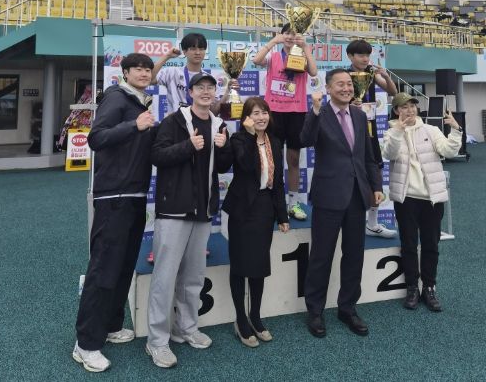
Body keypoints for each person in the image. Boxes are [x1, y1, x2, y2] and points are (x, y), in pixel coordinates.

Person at [73, 53, 157, 373]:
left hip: (135, 196)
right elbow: (96, 138)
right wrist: (134, 125)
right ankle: (85, 344)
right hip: (114, 197)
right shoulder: (117, 98)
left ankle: (110, 326)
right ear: (125, 72)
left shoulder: (141, 102)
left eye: (148, 69)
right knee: (104, 270)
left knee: (123, 268)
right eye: (138, 69)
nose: (144, 73)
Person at [146, 72, 233, 369]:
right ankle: (157, 341)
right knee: (164, 278)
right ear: (191, 92)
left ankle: (186, 328)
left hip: (203, 211)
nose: (206, 92)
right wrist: (188, 146)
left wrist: (224, 147)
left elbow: (223, 167)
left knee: (193, 277)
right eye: (200, 87)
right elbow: (157, 156)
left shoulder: (220, 125)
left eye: (211, 88)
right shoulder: (174, 121)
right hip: (174, 210)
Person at [300, 69, 384, 338]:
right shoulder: (319, 113)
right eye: (340, 84)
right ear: (328, 88)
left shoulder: (359, 115)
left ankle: (347, 308)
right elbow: (305, 140)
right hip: (328, 196)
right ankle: (315, 311)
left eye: (349, 84)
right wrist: (314, 110)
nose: (346, 88)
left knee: (354, 255)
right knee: (321, 257)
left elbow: (368, 156)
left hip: (357, 196)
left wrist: (376, 186)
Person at [381, 93, 462, 312]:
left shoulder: (431, 130)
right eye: (404, 107)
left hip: (432, 198)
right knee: (408, 245)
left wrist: (456, 130)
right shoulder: (390, 132)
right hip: (406, 198)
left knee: (431, 245)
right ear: (396, 111)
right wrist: (398, 130)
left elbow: (449, 151)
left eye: (412, 106)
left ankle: (429, 287)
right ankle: (412, 288)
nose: (410, 110)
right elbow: (389, 154)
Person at [222, 97, 289, 347]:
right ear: (246, 118)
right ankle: (240, 319)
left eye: (264, 112)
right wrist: (251, 137)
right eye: (255, 113)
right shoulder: (238, 139)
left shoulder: (275, 141)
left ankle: (255, 316)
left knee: (259, 265)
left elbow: (278, 181)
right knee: (240, 265)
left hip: (264, 208)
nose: (261, 117)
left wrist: (282, 216)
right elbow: (247, 165)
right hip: (242, 209)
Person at [252, 23, 317, 221]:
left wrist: (306, 47)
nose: (290, 37)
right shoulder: (274, 56)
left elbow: (314, 72)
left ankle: (293, 202)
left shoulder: (302, 55)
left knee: (294, 159)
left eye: (295, 34)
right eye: (287, 33)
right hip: (274, 113)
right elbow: (256, 60)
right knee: (273, 159)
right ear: (282, 35)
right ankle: (275, 201)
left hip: (296, 112)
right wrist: (273, 41)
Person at [346, 39, 397, 238]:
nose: (365, 59)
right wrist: (351, 106)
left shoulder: (372, 73)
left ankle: (372, 222)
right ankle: (350, 221)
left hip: (371, 130)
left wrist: (386, 76)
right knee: (350, 175)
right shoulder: (344, 76)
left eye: (367, 55)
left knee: (375, 171)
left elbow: (393, 92)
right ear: (350, 56)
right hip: (350, 130)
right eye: (361, 55)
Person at [151, 32, 235, 115]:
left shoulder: (210, 79)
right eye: (193, 49)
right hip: (176, 122)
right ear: (184, 51)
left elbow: (213, 112)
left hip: (200, 122)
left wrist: (228, 91)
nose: (198, 52)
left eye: (201, 49)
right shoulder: (172, 72)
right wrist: (167, 56)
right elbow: (151, 79)